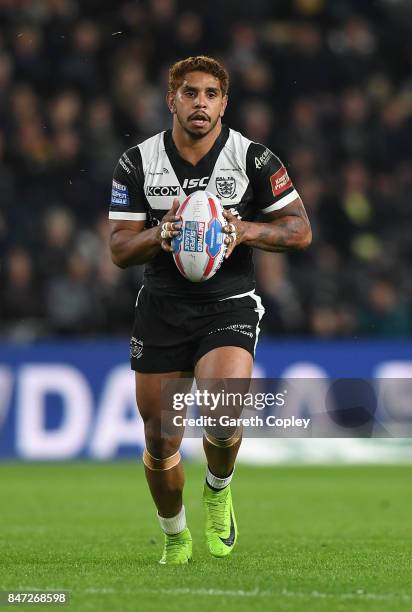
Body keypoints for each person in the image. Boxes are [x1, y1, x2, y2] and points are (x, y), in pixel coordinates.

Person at [109, 55, 311, 564]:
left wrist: (245, 229)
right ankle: (175, 535)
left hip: (229, 303)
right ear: (171, 100)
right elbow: (118, 249)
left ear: (225, 102)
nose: (200, 103)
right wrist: (162, 234)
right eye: (190, 93)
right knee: (160, 438)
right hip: (161, 307)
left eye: (211, 95)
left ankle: (218, 489)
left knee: (221, 416)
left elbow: (299, 230)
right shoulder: (138, 162)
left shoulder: (253, 159)